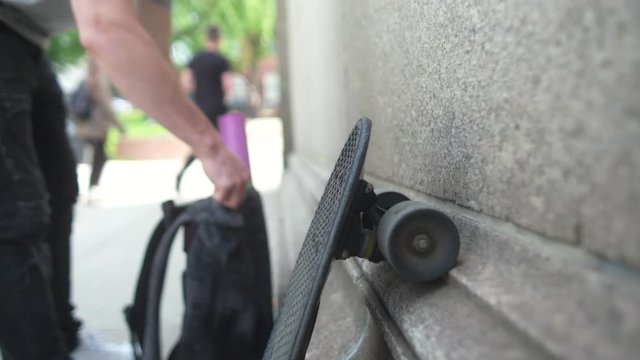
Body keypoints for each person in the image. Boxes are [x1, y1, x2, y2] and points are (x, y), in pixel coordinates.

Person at [0, 1, 249, 359]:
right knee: (15, 216)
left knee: (59, 190)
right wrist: (209, 146)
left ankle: (67, 341)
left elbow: (149, 52)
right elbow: (105, 29)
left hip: (27, 39)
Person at [175, 25, 233, 191]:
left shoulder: (195, 60)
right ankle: (223, 182)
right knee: (222, 145)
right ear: (219, 39)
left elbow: (186, 82)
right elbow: (228, 85)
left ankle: (183, 172)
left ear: (206, 38)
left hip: (199, 108)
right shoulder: (222, 60)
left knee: (201, 144)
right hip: (218, 108)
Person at [74, 56, 126, 200]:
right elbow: (106, 106)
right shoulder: (98, 81)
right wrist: (120, 125)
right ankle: (91, 188)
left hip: (85, 127)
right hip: (96, 128)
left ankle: (85, 188)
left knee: (90, 158)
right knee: (98, 158)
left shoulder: (86, 80)